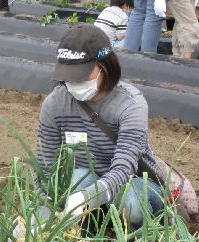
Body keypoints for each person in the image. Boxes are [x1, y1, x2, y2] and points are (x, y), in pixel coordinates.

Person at [36, 24, 164, 229]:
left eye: (80, 74)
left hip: (134, 184)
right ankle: (89, 235)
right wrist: (44, 210)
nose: (73, 81)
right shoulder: (55, 104)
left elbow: (124, 168)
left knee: (130, 204)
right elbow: (45, 165)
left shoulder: (130, 104)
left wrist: (88, 196)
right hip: (85, 183)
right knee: (77, 177)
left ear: (104, 65)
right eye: (67, 74)